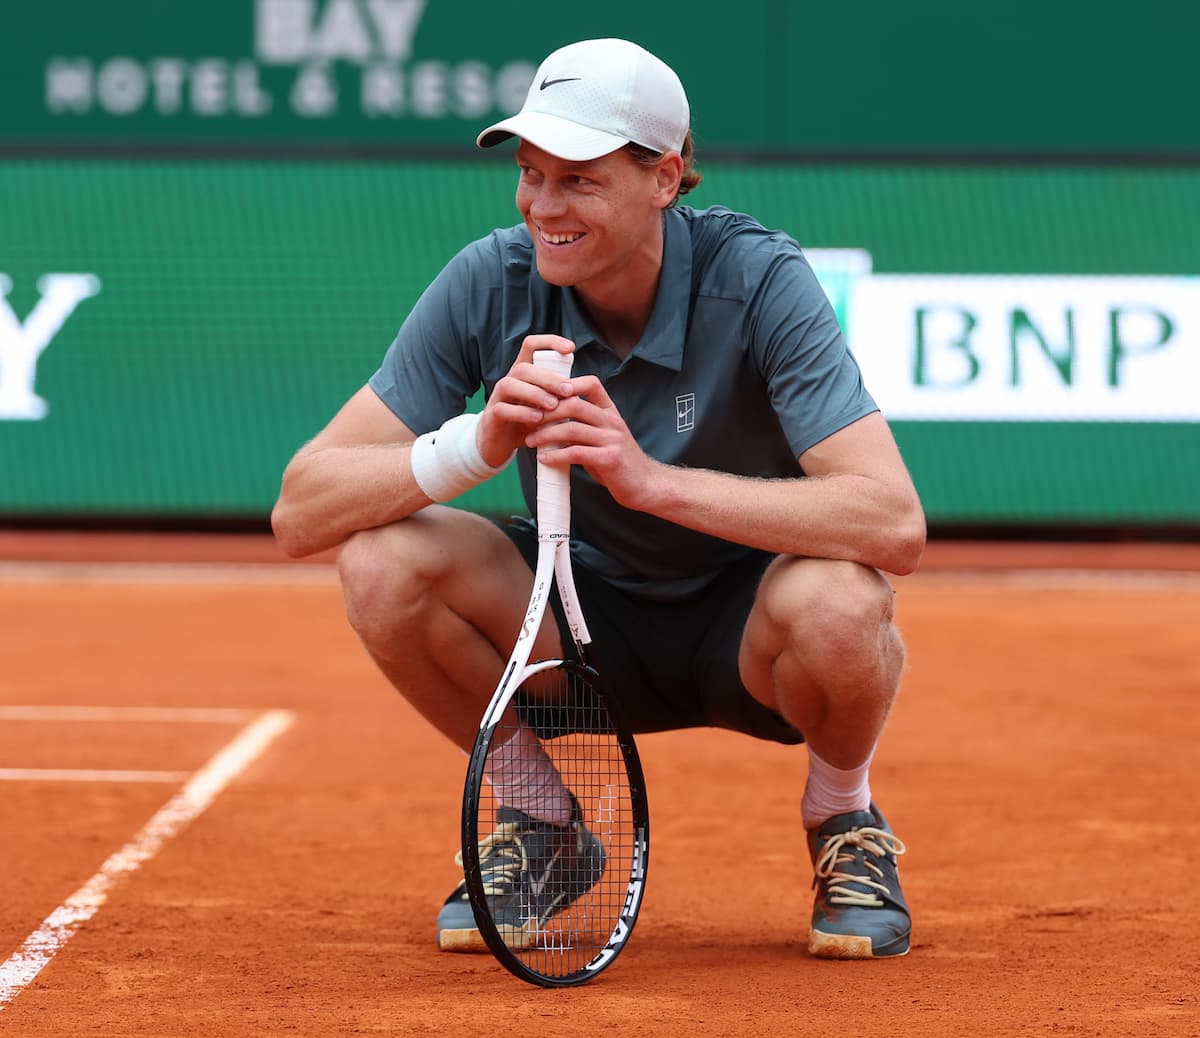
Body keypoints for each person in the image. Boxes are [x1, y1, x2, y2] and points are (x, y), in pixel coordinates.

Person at [272, 37, 926, 960]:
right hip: (569, 624)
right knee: (382, 564)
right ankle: (546, 824)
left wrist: (650, 484)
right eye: (532, 175)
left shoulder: (760, 280)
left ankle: (842, 818)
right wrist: (477, 441)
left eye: (578, 180)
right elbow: (302, 511)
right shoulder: (490, 280)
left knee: (843, 604)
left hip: (750, 637)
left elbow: (891, 521)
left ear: (665, 178)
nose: (543, 206)